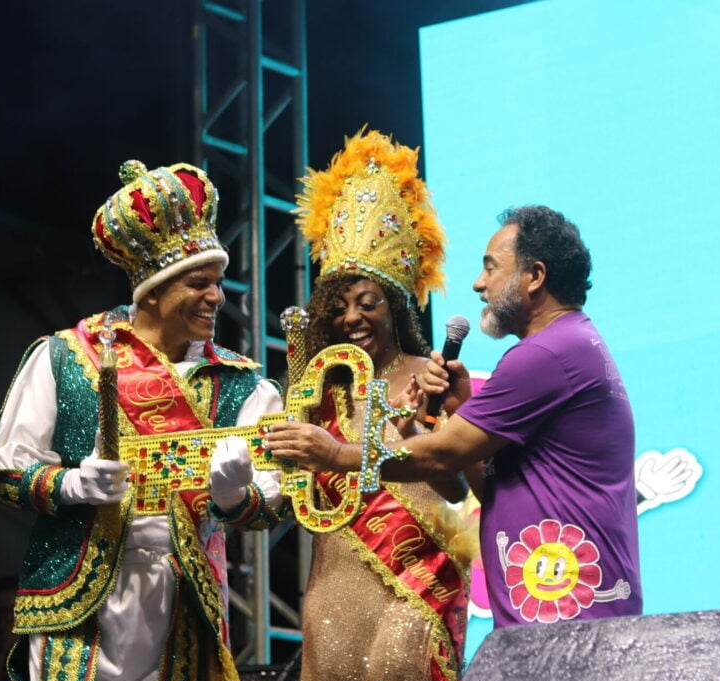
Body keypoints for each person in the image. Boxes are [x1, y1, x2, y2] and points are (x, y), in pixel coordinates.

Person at [0, 159, 285, 681]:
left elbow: (277, 496)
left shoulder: (243, 387)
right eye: (199, 282)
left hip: (181, 602)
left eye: (219, 280)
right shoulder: (65, 359)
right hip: (75, 596)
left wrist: (235, 497)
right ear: (155, 290)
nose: (217, 295)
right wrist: (69, 486)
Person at [269, 205, 642, 629]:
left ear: (535, 277)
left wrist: (335, 456)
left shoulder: (546, 354)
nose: (479, 284)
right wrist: (461, 408)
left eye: (491, 268)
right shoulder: (571, 343)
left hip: (568, 613)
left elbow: (442, 456)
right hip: (555, 608)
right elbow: (493, 491)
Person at [288, 130, 473, 681]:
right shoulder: (318, 391)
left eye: (367, 303)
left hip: (416, 577)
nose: (352, 319)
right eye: (338, 308)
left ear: (395, 305)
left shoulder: (434, 376)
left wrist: (422, 427)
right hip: (333, 585)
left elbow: (455, 484)